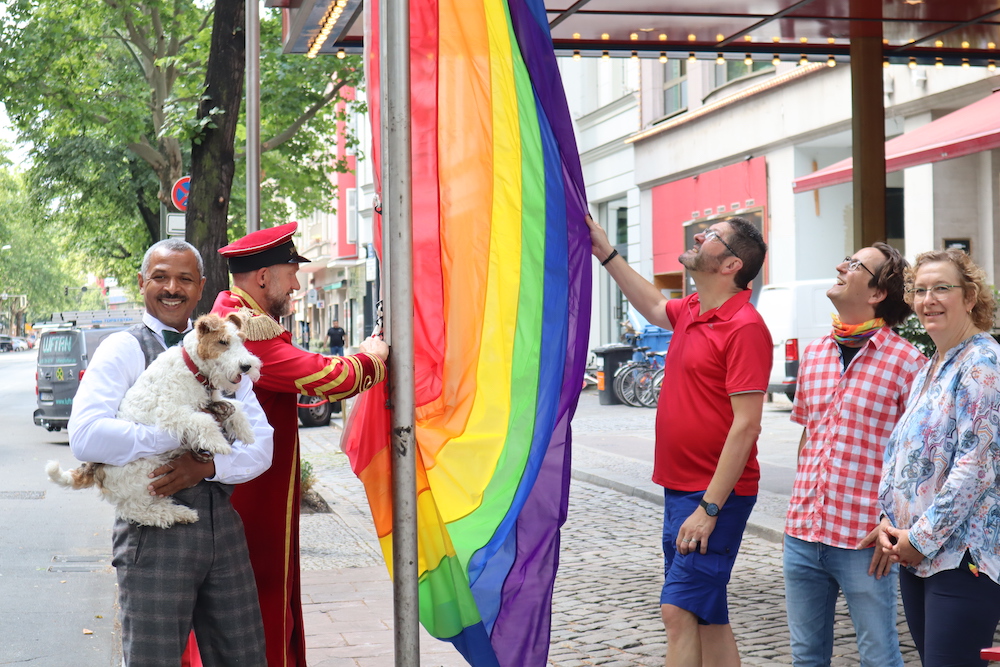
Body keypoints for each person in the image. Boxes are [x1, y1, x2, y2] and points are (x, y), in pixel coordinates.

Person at [68, 239, 274, 666]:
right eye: (160, 277)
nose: (171, 288)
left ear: (201, 288)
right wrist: (171, 437)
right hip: (153, 536)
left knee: (245, 656)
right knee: (153, 660)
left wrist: (206, 467)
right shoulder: (121, 349)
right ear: (142, 282)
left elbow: (262, 446)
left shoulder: (225, 350)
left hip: (221, 530)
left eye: (184, 279)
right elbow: (85, 437)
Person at [586, 214, 771, 666]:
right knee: (708, 615)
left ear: (731, 265)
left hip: (713, 497)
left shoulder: (744, 327)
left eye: (713, 236)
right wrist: (605, 251)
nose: (699, 236)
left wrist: (709, 508)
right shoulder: (692, 309)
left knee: (678, 610)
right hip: (680, 488)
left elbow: (746, 425)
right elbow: (652, 305)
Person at [211, 221, 389, 667]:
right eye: (291, 272)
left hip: (257, 496)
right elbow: (329, 377)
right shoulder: (244, 331)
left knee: (269, 607)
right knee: (261, 614)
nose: (296, 284)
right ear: (264, 277)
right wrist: (373, 357)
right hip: (250, 503)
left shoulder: (239, 318)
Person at [783, 244, 924, 667]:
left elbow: (917, 461)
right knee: (806, 657)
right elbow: (809, 436)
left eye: (855, 264)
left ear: (878, 292)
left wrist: (895, 524)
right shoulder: (815, 354)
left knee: (879, 656)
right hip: (803, 534)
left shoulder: (907, 363)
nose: (841, 267)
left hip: (865, 541)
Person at [876, 249, 1000, 667]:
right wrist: (888, 523)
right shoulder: (932, 366)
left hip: (962, 556)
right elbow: (899, 453)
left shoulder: (983, 363)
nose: (928, 298)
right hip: (918, 555)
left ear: (969, 298)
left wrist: (920, 538)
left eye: (942, 288)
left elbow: (976, 466)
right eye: (920, 289)